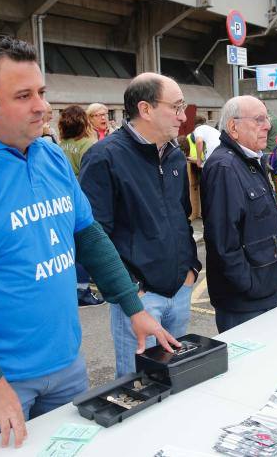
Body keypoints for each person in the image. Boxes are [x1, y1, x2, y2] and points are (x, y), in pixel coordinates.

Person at [0, 38, 176, 447]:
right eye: (24, 96)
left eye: (42, 92)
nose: (42, 107)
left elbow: (89, 236)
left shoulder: (49, 157)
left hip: (65, 363)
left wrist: (133, 307)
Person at [79, 72, 201, 377]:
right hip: (140, 299)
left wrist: (191, 270)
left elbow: (182, 216)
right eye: (175, 107)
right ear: (145, 109)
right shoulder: (104, 158)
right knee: (140, 384)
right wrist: (132, 291)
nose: (182, 116)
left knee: (177, 376)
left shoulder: (173, 155)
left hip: (180, 289)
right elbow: (93, 236)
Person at [201, 96, 277, 332]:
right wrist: (249, 285)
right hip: (245, 303)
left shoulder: (248, 161)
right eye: (259, 119)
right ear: (233, 128)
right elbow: (223, 241)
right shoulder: (225, 167)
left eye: (266, 118)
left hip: (264, 294)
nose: (267, 125)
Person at [58, 105, 105, 308]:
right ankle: (83, 290)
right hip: (84, 198)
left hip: (64, 198)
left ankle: (78, 287)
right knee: (87, 243)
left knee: (72, 245)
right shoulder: (88, 145)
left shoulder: (61, 145)